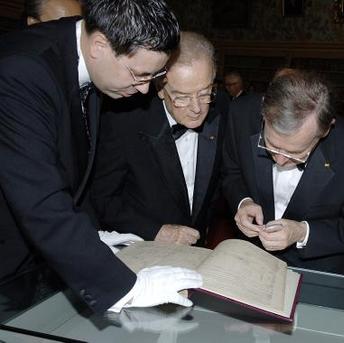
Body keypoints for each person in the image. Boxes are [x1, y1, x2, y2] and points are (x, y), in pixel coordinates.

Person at [0, 0, 202, 314]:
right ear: (99, 46)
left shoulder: (88, 57)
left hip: (48, 258)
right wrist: (130, 288)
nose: (146, 89)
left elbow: (72, 168)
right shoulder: (21, 71)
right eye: (139, 74)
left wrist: (95, 236)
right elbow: (39, 199)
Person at [222, 69, 344, 274]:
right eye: (271, 146)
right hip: (250, 258)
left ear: (325, 130)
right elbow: (231, 171)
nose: (279, 160)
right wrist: (243, 202)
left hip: (315, 271)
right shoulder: (241, 114)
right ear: (263, 115)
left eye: (295, 153)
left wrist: (302, 233)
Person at [91, 31, 225, 246]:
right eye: (181, 97)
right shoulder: (124, 122)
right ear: (160, 89)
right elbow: (103, 199)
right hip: (144, 248)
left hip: (198, 248)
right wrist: (156, 231)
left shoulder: (222, 110)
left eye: (204, 93)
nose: (197, 108)